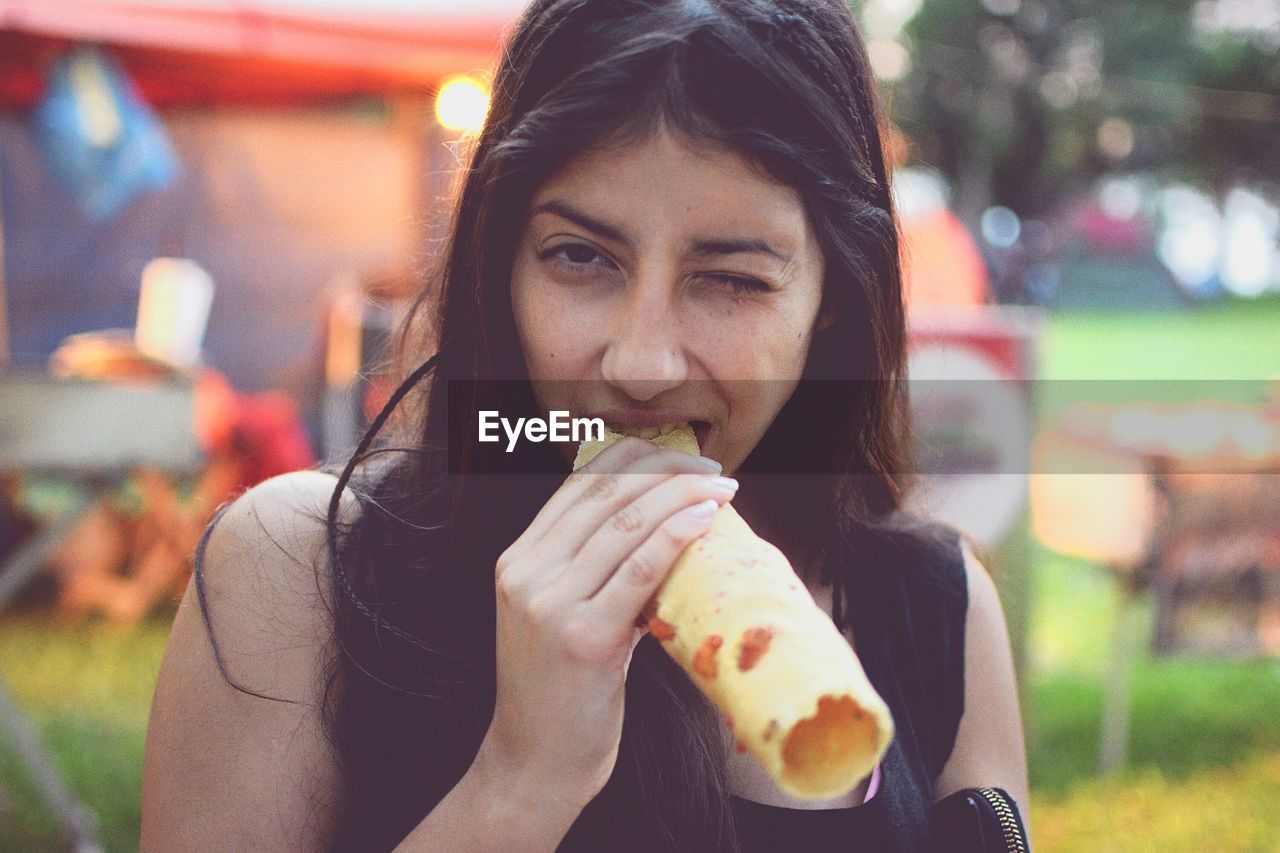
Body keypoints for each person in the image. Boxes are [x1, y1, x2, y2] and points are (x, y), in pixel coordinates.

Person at [140, 1, 1028, 850]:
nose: (642, 363)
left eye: (731, 278)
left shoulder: (938, 610)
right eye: (580, 256)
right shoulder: (303, 575)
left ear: (831, 298)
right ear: (501, 260)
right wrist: (523, 779)